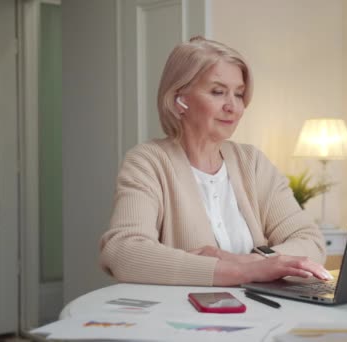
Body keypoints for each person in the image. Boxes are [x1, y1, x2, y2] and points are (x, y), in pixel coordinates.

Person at [99, 37, 331, 287]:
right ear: (180, 100)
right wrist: (244, 272)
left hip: (262, 314)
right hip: (181, 317)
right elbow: (123, 252)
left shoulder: (252, 162)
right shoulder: (148, 162)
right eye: (218, 92)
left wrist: (239, 262)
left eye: (239, 94)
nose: (233, 107)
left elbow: (310, 240)